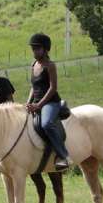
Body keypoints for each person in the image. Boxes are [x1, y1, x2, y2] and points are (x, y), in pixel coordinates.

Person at [25, 33, 70, 171]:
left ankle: (63, 156)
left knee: (47, 123)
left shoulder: (50, 65)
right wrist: (28, 103)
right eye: (33, 49)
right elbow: (34, 87)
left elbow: (53, 88)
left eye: (37, 48)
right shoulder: (33, 65)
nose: (35, 52)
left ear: (45, 49)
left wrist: (39, 105)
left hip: (51, 102)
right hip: (36, 101)